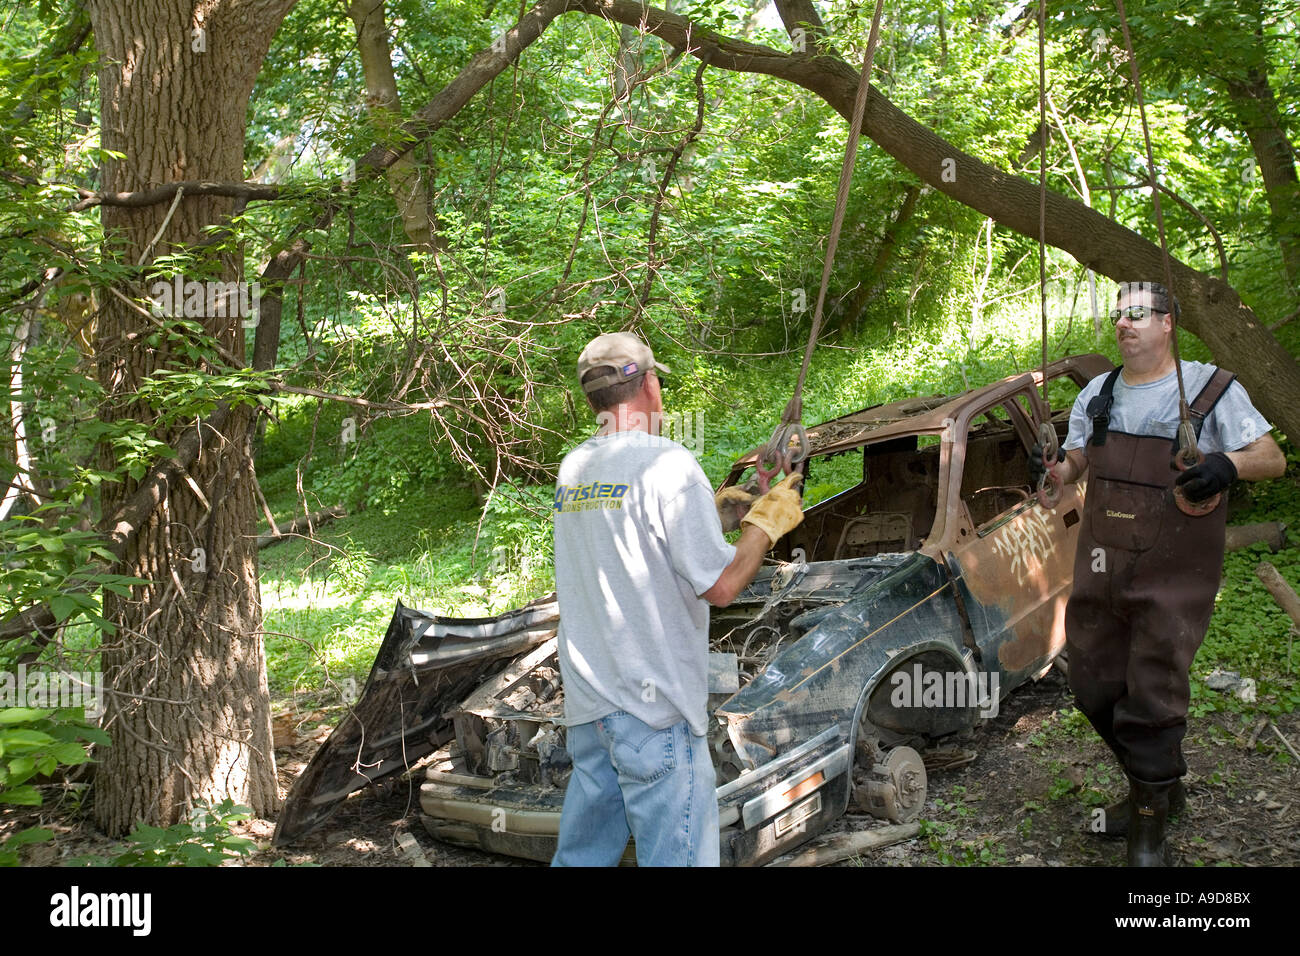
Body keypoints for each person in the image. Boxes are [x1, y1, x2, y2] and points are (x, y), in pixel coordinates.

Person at [1030, 281, 1285, 866]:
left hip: (1173, 575)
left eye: (1138, 314)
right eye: (1118, 316)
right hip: (1100, 568)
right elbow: (1074, 466)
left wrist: (1227, 463)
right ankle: (1162, 787)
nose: (1124, 324)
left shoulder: (1211, 389)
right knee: (1093, 686)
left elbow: (1272, 458)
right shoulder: (1099, 393)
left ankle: (1149, 829)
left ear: (1168, 323)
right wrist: (1052, 469)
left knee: (1151, 695)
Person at [550, 331, 804, 867]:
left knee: (584, 857)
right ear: (648, 385)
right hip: (653, 712)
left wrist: (723, 511)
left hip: (591, 707)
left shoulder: (574, 470)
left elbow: (630, 537)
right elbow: (723, 586)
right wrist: (765, 523)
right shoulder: (668, 464)